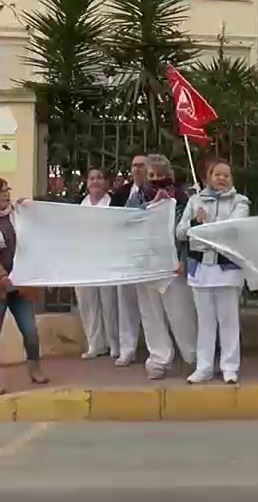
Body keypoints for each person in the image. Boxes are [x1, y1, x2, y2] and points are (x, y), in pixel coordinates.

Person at [0, 177, 47, 396]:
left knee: (30, 330)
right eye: (0, 192)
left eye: (7, 191)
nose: (6, 195)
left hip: (19, 284)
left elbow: (34, 235)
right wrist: (0, 276)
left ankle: (34, 366)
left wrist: (28, 208)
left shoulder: (16, 215)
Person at [177, 160, 249, 385]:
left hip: (227, 267)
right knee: (205, 321)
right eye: (217, 174)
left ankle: (230, 367)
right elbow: (180, 233)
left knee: (228, 320)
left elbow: (234, 229)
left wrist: (207, 226)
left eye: (226, 175)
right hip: (201, 269)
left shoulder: (240, 202)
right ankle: (204, 367)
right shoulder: (195, 200)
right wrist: (193, 221)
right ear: (208, 176)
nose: (222, 178)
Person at [133, 154, 198, 380]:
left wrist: (183, 258)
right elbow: (128, 221)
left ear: (169, 175)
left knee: (181, 313)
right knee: (151, 315)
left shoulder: (183, 198)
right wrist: (151, 206)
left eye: (161, 175)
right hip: (147, 264)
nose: (156, 179)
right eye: (152, 175)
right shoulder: (138, 197)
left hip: (173, 265)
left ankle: (193, 356)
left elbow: (188, 231)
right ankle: (159, 359)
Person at [108, 153, 148, 367]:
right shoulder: (121, 193)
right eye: (134, 166)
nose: (137, 169)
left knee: (150, 306)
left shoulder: (157, 192)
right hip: (126, 256)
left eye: (142, 165)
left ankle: (157, 350)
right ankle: (127, 349)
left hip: (149, 257)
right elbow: (112, 221)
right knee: (126, 304)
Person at [77, 168, 119, 360]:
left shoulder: (113, 203)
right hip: (85, 260)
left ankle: (115, 344)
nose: (95, 181)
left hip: (108, 259)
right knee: (88, 304)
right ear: (87, 182)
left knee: (109, 304)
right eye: (92, 178)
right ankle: (95, 344)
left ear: (106, 182)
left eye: (99, 178)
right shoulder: (79, 204)